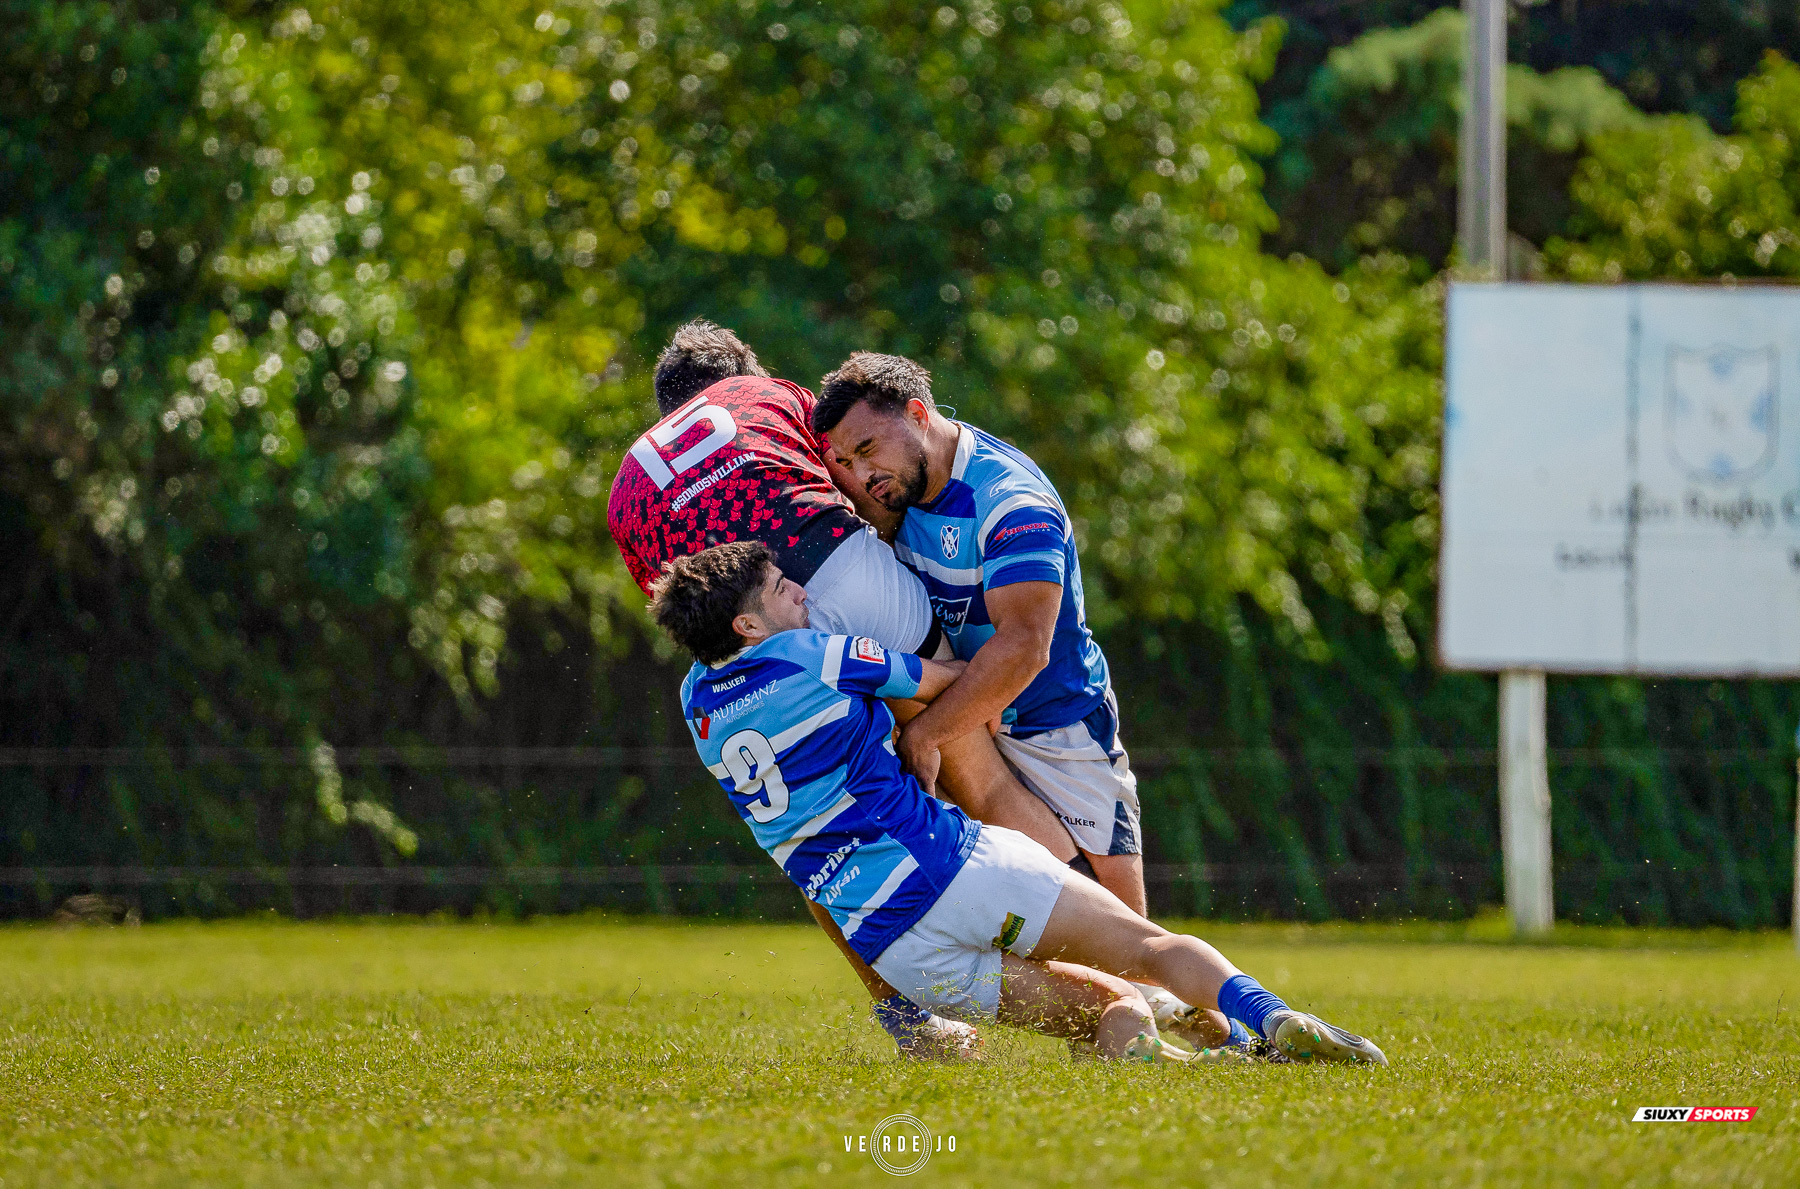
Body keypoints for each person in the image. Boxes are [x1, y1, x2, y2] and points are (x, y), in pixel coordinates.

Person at [649, 541, 1388, 1066]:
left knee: (1109, 1014)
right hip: (958, 869)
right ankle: (1275, 1018)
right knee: (1147, 948)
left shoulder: (695, 704)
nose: (802, 592)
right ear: (748, 626)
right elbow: (938, 681)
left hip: (893, 945)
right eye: (782, 589)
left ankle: (1198, 1064)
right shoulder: (810, 651)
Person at [606, 321, 1098, 1055]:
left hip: (750, 642)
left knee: (818, 834)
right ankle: (1109, 951)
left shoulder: (629, 482)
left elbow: (679, 607)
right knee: (965, 751)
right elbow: (850, 475)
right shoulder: (762, 394)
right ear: (741, 370)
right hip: (832, 571)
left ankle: (911, 1021)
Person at [810, 351, 1225, 1036]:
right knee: (854, 848)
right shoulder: (896, 493)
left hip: (1061, 730)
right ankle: (931, 1017)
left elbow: (1024, 646)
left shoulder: (1009, 498)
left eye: (866, 450)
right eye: (845, 464)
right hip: (973, 718)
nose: (860, 478)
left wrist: (925, 731)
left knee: (1134, 947)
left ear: (918, 415)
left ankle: (1246, 1036)